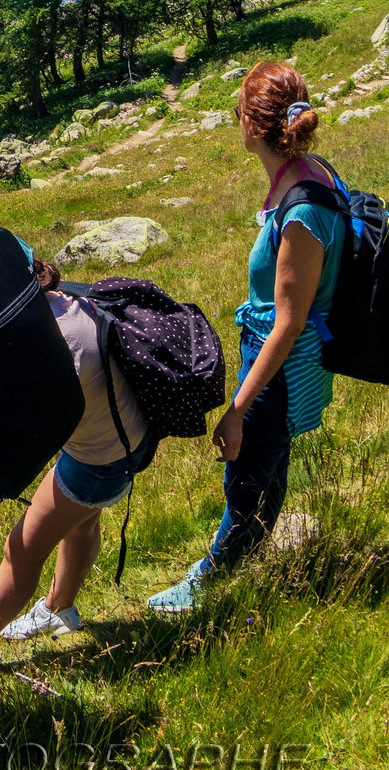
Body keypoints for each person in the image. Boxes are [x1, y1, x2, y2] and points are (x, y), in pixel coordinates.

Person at [147, 61, 343, 613]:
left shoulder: (301, 211)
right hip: (280, 364)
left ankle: (210, 582)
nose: (234, 117)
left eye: (239, 108)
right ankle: (250, 547)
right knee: (268, 464)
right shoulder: (308, 173)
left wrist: (237, 407)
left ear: (255, 127)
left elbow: (289, 323)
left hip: (281, 370)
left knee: (247, 474)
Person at [0, 257, 157, 664]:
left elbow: (19, 430)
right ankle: (60, 610)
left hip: (98, 461)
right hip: (126, 439)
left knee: (21, 551)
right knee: (81, 522)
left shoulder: (54, 345)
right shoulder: (70, 300)